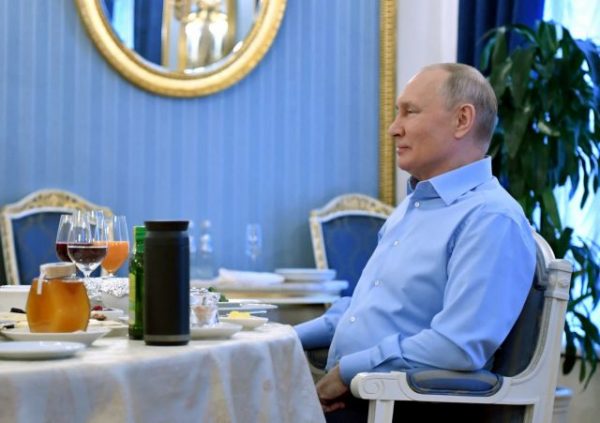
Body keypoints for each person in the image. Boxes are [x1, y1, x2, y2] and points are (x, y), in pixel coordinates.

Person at [294, 63, 536, 422]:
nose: (394, 128)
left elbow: (457, 345)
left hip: (405, 407)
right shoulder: (413, 207)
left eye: (410, 111)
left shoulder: (491, 219)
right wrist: (282, 337)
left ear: (462, 120)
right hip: (362, 397)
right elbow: (361, 310)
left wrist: (347, 372)